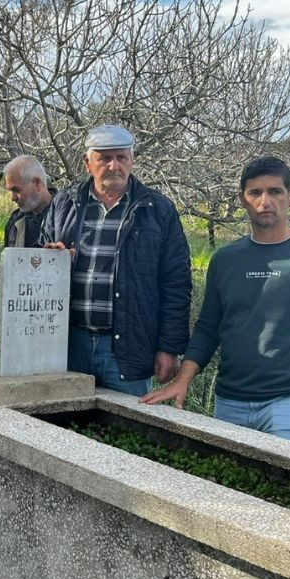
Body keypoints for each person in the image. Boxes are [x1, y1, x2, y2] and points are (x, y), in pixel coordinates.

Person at [140, 156, 290, 453]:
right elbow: (208, 329)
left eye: (275, 192)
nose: (265, 201)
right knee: (230, 490)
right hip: (230, 402)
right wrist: (182, 380)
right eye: (255, 193)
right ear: (243, 199)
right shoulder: (226, 259)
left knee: (282, 489)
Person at [40, 124, 192, 396]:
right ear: (88, 163)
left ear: (132, 160)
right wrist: (51, 256)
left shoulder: (157, 210)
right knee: (63, 430)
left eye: (121, 157)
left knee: (124, 432)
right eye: (104, 158)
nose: (114, 166)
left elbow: (176, 283)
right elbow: (37, 263)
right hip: (69, 343)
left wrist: (169, 347)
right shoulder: (64, 203)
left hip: (127, 347)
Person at [3, 155, 56, 248]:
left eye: (17, 190)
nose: (13, 198)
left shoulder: (68, 217)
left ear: (37, 184)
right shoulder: (15, 222)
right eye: (11, 191)